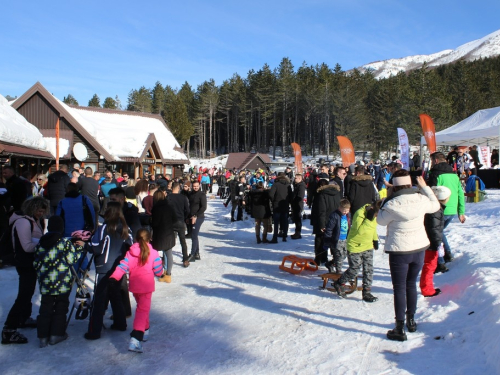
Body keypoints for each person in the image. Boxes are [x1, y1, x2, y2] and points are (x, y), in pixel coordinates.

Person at [377, 171, 440, 341]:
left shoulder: (392, 204)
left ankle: (399, 327)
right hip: (419, 247)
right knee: (411, 284)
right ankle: (411, 321)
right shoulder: (421, 199)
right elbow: (435, 205)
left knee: (399, 288)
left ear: (395, 185)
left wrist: (387, 198)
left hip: (399, 250)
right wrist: (425, 188)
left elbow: (380, 221)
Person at [2, 196, 49, 344]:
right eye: (39, 210)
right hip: (24, 262)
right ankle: (9, 330)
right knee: (24, 295)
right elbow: (26, 246)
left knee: (28, 292)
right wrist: (44, 244)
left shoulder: (32, 220)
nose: (41, 214)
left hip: (30, 262)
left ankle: (23, 318)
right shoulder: (23, 221)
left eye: (43, 211)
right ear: (32, 208)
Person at [109, 228, 163, 353]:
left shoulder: (131, 252)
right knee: (143, 311)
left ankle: (146, 329)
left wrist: (114, 277)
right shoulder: (153, 253)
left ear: (136, 239)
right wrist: (160, 270)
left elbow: (122, 266)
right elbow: (159, 271)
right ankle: (136, 338)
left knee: (141, 308)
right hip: (146, 286)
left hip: (135, 286)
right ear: (149, 238)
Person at [33, 216, 84, 347]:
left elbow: (36, 262)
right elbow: (71, 259)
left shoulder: (41, 243)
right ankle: (56, 334)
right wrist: (78, 248)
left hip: (46, 282)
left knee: (45, 309)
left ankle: (43, 337)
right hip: (62, 282)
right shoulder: (64, 243)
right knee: (61, 307)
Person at [85, 202, 133, 340]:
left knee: (100, 299)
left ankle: (94, 331)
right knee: (115, 294)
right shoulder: (125, 228)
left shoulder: (104, 227)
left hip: (105, 267)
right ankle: (120, 323)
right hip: (119, 267)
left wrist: (85, 245)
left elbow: (96, 247)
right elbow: (131, 245)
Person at [332, 201, 380, 303]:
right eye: (377, 214)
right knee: (354, 269)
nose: (377, 216)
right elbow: (360, 231)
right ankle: (339, 283)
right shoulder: (360, 213)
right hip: (355, 245)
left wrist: (375, 239)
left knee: (369, 269)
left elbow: (373, 228)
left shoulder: (373, 214)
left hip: (367, 245)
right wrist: (368, 219)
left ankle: (366, 292)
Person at [427, 152, 466, 271]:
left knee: (435, 235)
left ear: (436, 161)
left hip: (440, 208)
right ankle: (448, 254)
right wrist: (461, 211)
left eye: (432, 161)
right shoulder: (454, 174)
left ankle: (440, 261)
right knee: (440, 232)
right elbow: (460, 192)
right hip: (452, 208)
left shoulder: (435, 174)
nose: (432, 164)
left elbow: (431, 192)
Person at [420, 186, 451, 298]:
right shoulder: (436, 210)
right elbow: (434, 229)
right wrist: (437, 244)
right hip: (431, 243)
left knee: (429, 265)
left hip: (429, 241)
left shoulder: (435, 208)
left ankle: (427, 287)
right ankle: (427, 289)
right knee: (429, 266)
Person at [310, 178, 341, 264]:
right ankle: (334, 259)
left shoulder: (321, 195)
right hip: (335, 220)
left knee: (320, 240)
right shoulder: (337, 193)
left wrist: (321, 225)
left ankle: (319, 259)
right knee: (333, 240)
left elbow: (321, 211)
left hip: (324, 220)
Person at [151, 190, 178, 282]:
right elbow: (175, 219)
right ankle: (168, 274)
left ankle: (158, 271)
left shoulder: (156, 208)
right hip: (169, 232)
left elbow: (155, 222)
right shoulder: (169, 206)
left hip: (159, 234)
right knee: (168, 253)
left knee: (155, 253)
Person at [323, 199, 351, 274]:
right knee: (339, 257)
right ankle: (338, 272)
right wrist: (326, 242)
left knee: (344, 255)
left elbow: (349, 227)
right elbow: (329, 229)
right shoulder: (334, 216)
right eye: (344, 210)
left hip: (345, 239)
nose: (345, 212)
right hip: (336, 240)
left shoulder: (348, 216)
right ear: (339, 208)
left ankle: (330, 264)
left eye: (347, 210)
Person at [166, 182, 190, 267]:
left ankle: (166, 258)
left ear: (172, 188)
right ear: (178, 188)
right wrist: (185, 217)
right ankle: (185, 259)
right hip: (180, 220)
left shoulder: (168, 197)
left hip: (170, 221)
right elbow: (187, 210)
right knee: (182, 241)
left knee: (169, 241)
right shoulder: (183, 197)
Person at [268, 172, 292, 243]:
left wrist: (273, 200)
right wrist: (288, 202)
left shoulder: (276, 184)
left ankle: (275, 237)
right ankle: (284, 236)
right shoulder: (288, 185)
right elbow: (291, 195)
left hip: (277, 205)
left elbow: (271, 194)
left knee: (276, 222)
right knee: (285, 221)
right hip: (285, 205)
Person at [187, 181, 207, 261]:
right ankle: (197, 253)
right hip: (191, 217)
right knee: (194, 235)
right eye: (194, 186)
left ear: (199, 186)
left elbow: (203, 207)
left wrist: (196, 215)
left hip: (199, 217)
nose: (195, 187)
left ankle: (192, 254)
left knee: (194, 236)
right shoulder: (191, 194)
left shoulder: (202, 194)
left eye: (197, 186)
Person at [290, 174, 306, 240]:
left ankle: (298, 233)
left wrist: (294, 200)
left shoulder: (301, 186)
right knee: (296, 219)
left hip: (298, 204)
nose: (294, 179)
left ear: (300, 179)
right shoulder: (296, 185)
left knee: (298, 219)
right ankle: (296, 232)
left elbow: (300, 196)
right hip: (295, 204)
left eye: (296, 178)